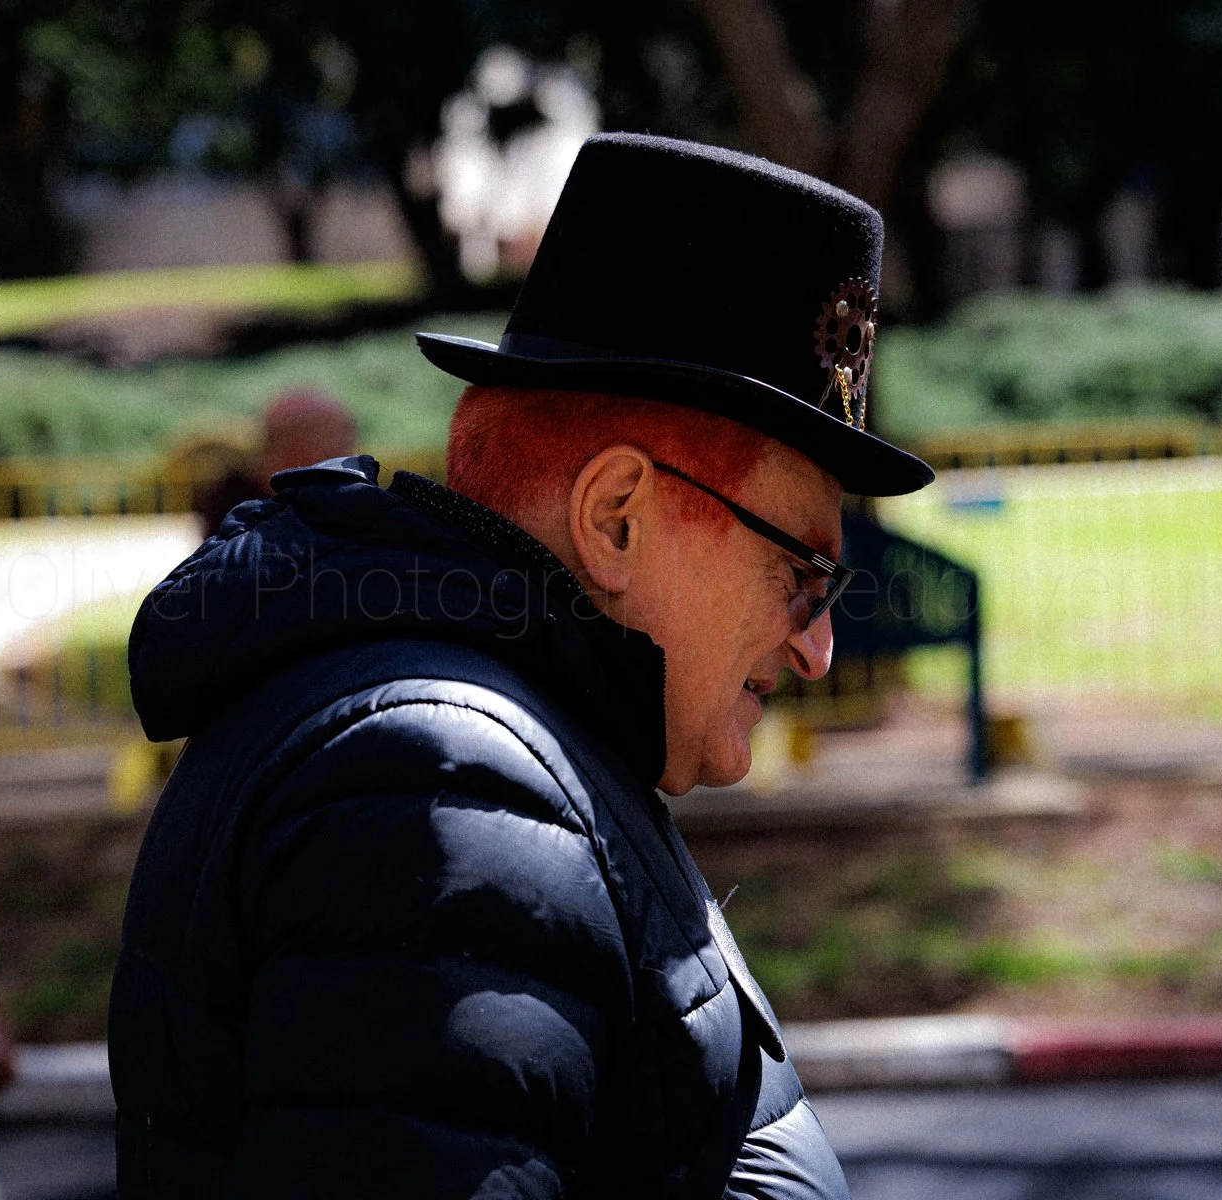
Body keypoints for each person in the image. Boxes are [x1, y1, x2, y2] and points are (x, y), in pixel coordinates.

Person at [109, 133, 934, 1196]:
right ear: (617, 518)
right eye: (802, 575)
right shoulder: (445, 782)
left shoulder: (473, 751)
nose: (819, 648)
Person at [192, 389, 359, 534]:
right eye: (336, 440)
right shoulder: (232, 506)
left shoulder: (351, 503)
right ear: (294, 442)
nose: (346, 452)